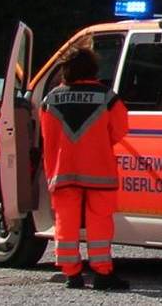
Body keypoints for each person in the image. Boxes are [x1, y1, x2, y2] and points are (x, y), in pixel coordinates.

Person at [38, 47, 131, 290]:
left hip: (63, 171)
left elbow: (47, 137)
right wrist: (97, 141)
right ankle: (102, 273)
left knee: (65, 223)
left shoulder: (50, 100)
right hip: (99, 171)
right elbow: (120, 129)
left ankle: (72, 275)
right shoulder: (107, 97)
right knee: (99, 223)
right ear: (93, 68)